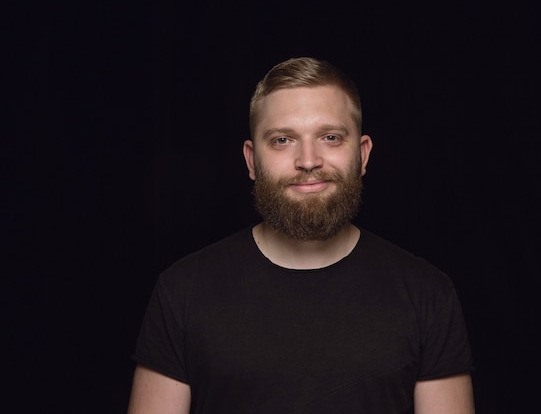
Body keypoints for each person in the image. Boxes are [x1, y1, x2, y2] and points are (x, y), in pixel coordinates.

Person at [127, 57, 475, 414]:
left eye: (330, 137)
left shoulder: (428, 294)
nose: (308, 160)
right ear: (251, 161)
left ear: (362, 153)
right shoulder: (182, 291)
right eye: (282, 140)